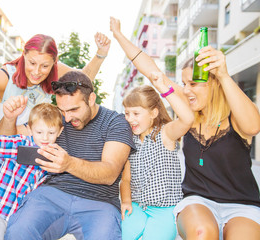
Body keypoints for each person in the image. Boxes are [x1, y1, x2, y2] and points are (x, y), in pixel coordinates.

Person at [110, 17, 260, 239]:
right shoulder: (188, 114)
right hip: (197, 201)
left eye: (194, 84)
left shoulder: (234, 116)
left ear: (214, 84)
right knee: (201, 232)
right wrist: (119, 36)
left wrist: (223, 74)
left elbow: (254, 126)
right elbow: (151, 69)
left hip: (242, 205)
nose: (186, 90)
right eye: (184, 83)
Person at [3, 71, 135, 239]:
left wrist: (69, 164)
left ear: (91, 99)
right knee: (18, 231)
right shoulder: (58, 118)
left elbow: (110, 173)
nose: (67, 117)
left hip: (100, 203)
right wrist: (9, 118)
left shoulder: (115, 122)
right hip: (52, 194)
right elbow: (7, 140)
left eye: (74, 109)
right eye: (62, 110)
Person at [0, 33, 111, 133]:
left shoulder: (55, 71)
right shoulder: (2, 78)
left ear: (54, 62)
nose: (36, 72)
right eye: (32, 63)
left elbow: (83, 79)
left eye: (45, 66)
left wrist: (101, 53)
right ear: (24, 54)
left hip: (30, 152)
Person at [120, 72, 194, 240]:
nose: (130, 119)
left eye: (136, 114)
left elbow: (188, 119)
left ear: (153, 113)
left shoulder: (165, 133)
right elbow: (126, 179)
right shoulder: (130, 140)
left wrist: (164, 89)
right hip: (137, 206)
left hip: (165, 209)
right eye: (127, 113)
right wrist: (125, 201)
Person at [0, 99, 63, 240]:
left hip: (21, 215)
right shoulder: (20, 144)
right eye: (39, 132)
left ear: (60, 131)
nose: (45, 137)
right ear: (29, 129)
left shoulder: (56, 155)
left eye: (51, 132)